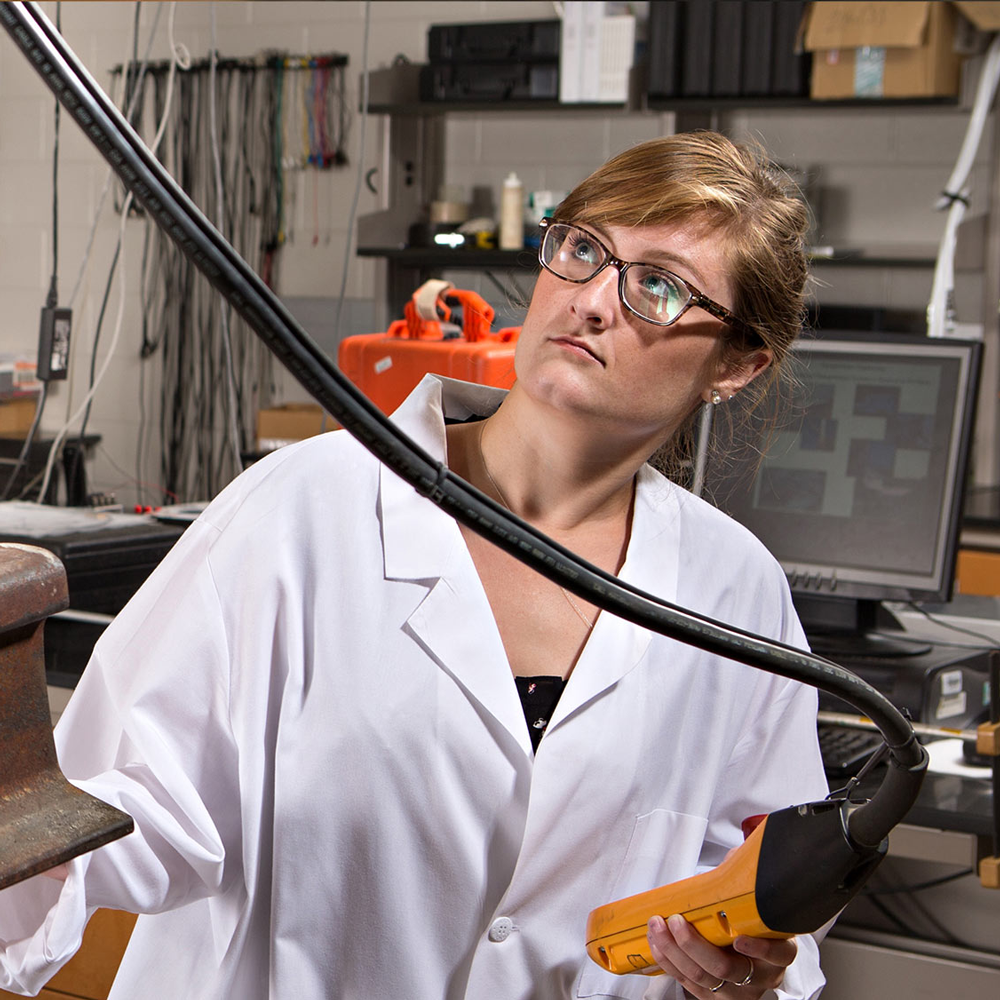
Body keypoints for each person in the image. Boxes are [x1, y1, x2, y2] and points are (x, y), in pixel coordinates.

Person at [0, 130, 827, 1000]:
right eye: (585, 249)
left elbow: (767, 896)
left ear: (736, 365)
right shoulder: (304, 508)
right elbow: (101, 811)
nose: (590, 302)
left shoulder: (738, 593)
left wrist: (746, 972)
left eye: (658, 286)